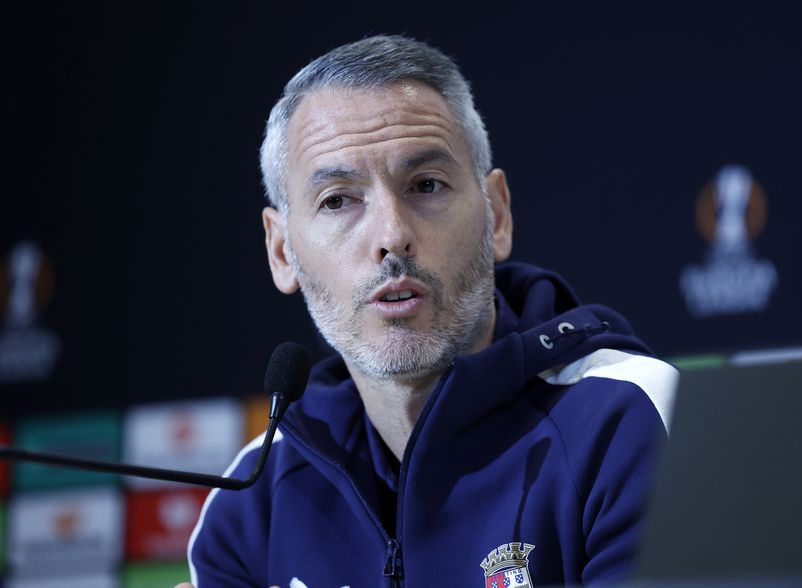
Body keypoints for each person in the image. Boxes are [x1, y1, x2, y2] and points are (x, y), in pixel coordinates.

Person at [180, 35, 677, 588]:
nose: (392, 237)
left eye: (426, 185)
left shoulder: (630, 421)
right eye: (339, 200)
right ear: (281, 251)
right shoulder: (255, 498)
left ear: (499, 215)